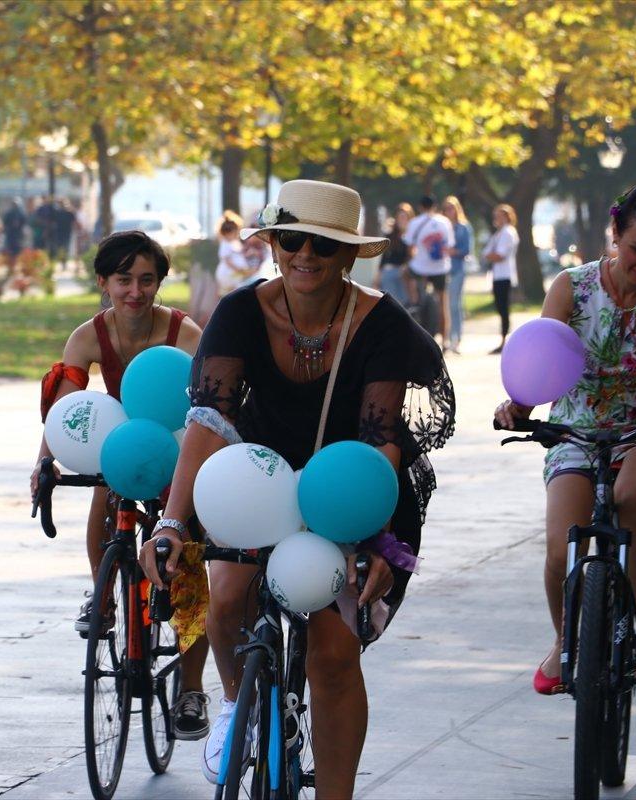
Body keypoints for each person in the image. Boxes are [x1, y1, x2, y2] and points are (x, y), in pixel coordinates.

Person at [139, 180, 455, 794]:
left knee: (333, 656)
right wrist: (171, 521)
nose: (305, 254)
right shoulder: (239, 313)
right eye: (290, 239)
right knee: (227, 598)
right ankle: (237, 704)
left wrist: (372, 538)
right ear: (273, 244)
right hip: (257, 481)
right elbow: (209, 421)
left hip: (353, 489)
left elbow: (381, 442)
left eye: (323, 244)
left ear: (349, 254)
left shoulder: (382, 324)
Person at [495, 182, 636, 695]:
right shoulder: (571, 286)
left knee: (631, 497)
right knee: (561, 547)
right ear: (614, 233)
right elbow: (542, 359)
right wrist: (519, 405)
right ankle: (564, 640)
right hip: (576, 430)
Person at [31, 231, 211, 739]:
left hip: (176, 446)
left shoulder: (185, 334)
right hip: (120, 444)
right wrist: (44, 463)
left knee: (186, 563)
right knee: (104, 498)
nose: (135, 291)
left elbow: (209, 411)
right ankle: (103, 594)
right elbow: (67, 413)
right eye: (124, 279)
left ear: (159, 282)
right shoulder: (87, 336)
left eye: (147, 280)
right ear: (103, 282)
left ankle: (192, 689)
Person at [403, 195, 454, 347]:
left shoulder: (415, 222)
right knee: (443, 303)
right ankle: (445, 340)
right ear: (435, 206)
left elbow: (410, 247)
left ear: (420, 207)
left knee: (405, 274)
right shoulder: (444, 222)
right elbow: (449, 245)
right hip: (440, 268)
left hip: (421, 268)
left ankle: (414, 300)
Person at [482, 204, 520, 354]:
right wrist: (490, 255)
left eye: (499, 216)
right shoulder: (498, 234)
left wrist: (491, 255)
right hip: (498, 275)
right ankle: (504, 338)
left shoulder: (508, 233)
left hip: (505, 275)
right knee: (499, 307)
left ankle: (505, 339)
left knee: (504, 308)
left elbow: (499, 255)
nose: (496, 219)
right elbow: (486, 253)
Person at [442, 196, 473, 354]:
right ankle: (445, 337)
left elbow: (467, 249)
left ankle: (456, 338)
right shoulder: (442, 226)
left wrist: (452, 251)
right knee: (444, 305)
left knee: (454, 304)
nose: (449, 211)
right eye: (446, 208)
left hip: (457, 269)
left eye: (451, 208)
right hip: (443, 270)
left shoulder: (463, 227)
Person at [373, 202, 412, 309]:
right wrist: (377, 277)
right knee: (390, 301)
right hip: (389, 272)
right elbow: (384, 259)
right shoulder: (390, 236)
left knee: (404, 302)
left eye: (405, 218)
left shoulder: (412, 237)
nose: (402, 220)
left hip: (405, 274)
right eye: (400, 217)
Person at [213, 210, 254, 296]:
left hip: (237, 273)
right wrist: (239, 270)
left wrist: (249, 254)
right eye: (234, 233)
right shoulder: (225, 244)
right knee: (234, 292)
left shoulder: (235, 243)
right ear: (226, 233)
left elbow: (239, 255)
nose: (236, 235)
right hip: (229, 273)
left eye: (236, 232)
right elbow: (228, 261)